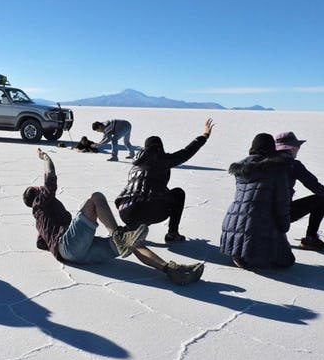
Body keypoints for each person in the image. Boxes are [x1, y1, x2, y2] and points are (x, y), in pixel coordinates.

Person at [23, 148, 204, 285]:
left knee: (130, 242)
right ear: (36, 194)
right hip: (68, 246)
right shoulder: (40, 203)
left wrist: (53, 243)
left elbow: (40, 243)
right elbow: (50, 180)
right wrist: (46, 158)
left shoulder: (41, 219)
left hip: (76, 255)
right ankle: (117, 234)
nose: (40, 188)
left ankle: (171, 270)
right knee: (96, 198)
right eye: (38, 188)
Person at [114, 118, 214, 243]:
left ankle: (129, 228)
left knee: (143, 198)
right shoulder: (162, 159)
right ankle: (172, 234)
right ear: (160, 147)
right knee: (177, 193)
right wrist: (204, 136)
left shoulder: (135, 164)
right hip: (152, 211)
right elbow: (187, 152)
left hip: (125, 212)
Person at [220, 133, 295, 270]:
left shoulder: (241, 169)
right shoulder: (277, 169)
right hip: (258, 226)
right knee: (287, 261)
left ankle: (239, 254)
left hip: (232, 227)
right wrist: (283, 228)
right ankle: (251, 256)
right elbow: (281, 203)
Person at [275, 131, 324, 250]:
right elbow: (315, 187)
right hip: (280, 215)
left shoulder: (259, 163)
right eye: (297, 146)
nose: (298, 149)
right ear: (292, 148)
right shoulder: (293, 165)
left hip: (256, 215)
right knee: (321, 200)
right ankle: (311, 239)